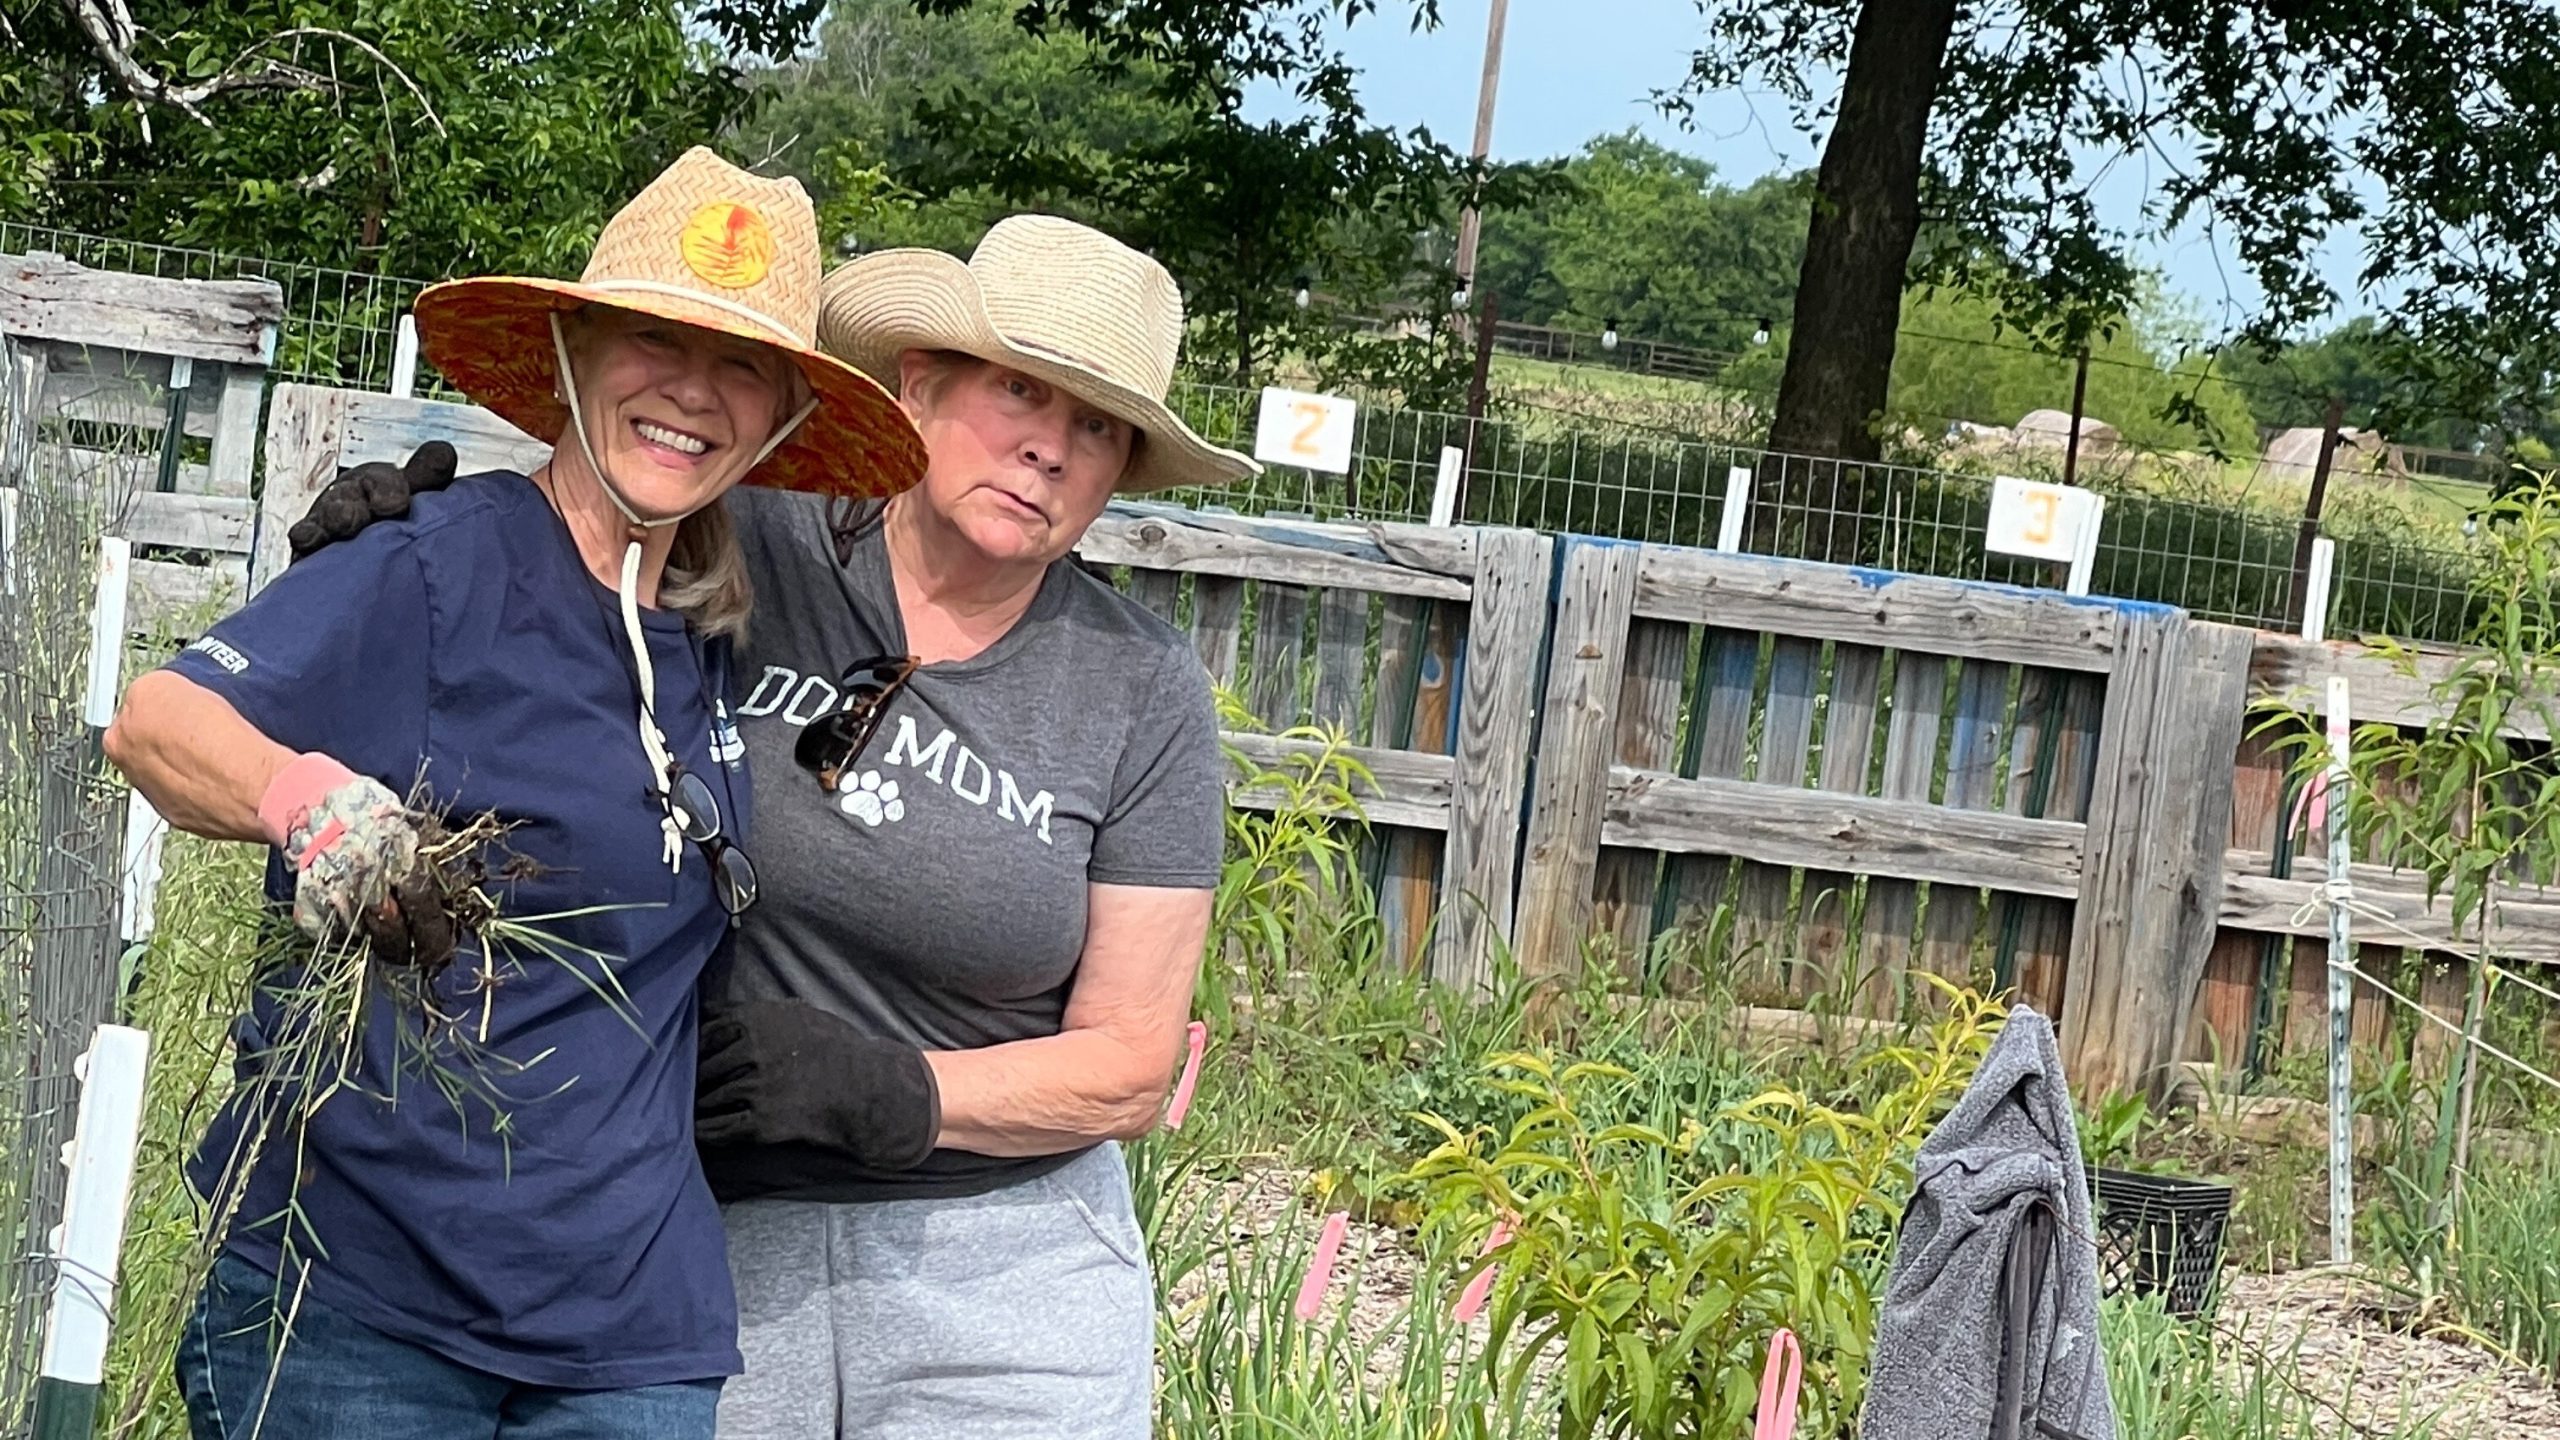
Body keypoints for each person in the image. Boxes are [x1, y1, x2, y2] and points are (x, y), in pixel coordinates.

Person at [294, 214, 1256, 1439]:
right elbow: (570, 522)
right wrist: (408, 547)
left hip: (1004, 1265)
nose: (1050, 450)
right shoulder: (745, 539)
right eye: (1022, 391)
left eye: (1098, 428)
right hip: (702, 1223)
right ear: (921, 383)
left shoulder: (1135, 686)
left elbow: (1130, 1060)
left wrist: (903, 1093)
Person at [105, 148, 925, 1440]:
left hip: (631, 1334)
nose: (692, 393)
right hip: (363, 1306)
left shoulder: (711, 640)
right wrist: (309, 796)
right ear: (571, 353)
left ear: (776, 418)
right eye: (653, 338)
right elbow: (156, 722)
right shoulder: (438, 562)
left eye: (741, 365)